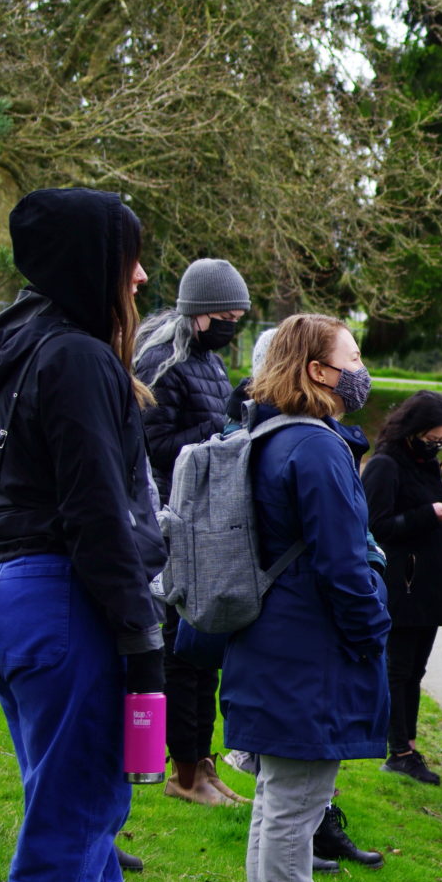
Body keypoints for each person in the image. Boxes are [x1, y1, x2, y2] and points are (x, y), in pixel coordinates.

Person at [0, 187, 175, 882]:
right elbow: (95, 513)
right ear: (95, 266)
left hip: (26, 593)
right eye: (131, 259)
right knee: (75, 800)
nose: (144, 276)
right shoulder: (76, 356)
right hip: (68, 596)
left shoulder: (29, 346)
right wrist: (140, 632)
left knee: (90, 794)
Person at [222, 316, 389, 882]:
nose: (359, 369)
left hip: (275, 639)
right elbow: (343, 561)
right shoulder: (315, 448)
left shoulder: (266, 433)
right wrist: (372, 627)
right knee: (296, 801)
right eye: (351, 356)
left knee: (279, 796)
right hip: (308, 646)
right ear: (318, 370)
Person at [133, 256, 251, 808]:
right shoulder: (164, 361)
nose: (234, 323)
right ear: (199, 313)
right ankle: (183, 769)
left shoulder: (208, 358)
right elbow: (156, 445)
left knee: (205, 649)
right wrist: (223, 423)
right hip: (171, 524)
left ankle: (202, 763)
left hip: (204, 522)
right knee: (180, 654)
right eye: (227, 313)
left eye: (240, 313)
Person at [361, 390, 442, 786]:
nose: (437, 444)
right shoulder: (386, 465)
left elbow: (435, 506)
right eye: (433, 437)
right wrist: (427, 514)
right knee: (399, 668)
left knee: (415, 670)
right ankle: (397, 750)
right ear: (414, 430)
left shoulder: (426, 464)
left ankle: (409, 744)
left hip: (429, 583)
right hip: (401, 583)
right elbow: (375, 526)